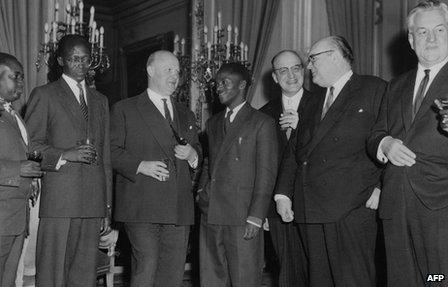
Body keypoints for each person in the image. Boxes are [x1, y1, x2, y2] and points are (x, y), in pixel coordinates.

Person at [275, 36, 386, 287]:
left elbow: (389, 137)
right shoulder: (313, 101)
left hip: (351, 208)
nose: (309, 67)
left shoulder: (373, 89)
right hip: (310, 210)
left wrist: (382, 185)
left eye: (312, 59)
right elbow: (295, 151)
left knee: (353, 280)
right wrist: (283, 194)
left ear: (334, 56)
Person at [367, 1, 448, 285]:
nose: (432, 38)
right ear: (411, 40)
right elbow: (376, 133)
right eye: (423, 32)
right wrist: (385, 143)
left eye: (440, 29)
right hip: (396, 205)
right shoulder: (395, 85)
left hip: (440, 207)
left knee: (438, 279)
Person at [25, 35, 112, 287]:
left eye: (86, 59)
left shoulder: (101, 101)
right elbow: (30, 145)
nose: (81, 64)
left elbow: (105, 158)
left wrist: (106, 207)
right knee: (52, 273)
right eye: (74, 59)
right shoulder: (45, 94)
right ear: (61, 60)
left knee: (84, 276)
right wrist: (64, 154)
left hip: (93, 202)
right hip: (59, 201)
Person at [110, 50, 201, 287]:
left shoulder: (186, 112)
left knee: (172, 275)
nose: (175, 77)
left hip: (178, 208)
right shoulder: (125, 109)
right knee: (146, 269)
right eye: (168, 70)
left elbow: (199, 153)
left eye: (178, 72)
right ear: (150, 71)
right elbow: (111, 151)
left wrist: (193, 155)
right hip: (142, 206)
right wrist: (141, 165)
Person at [197, 63, 278, 287]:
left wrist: (256, 215)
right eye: (216, 83)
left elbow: (266, 173)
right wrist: (201, 193)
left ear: (242, 85)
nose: (218, 88)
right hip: (211, 212)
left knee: (245, 279)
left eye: (225, 82)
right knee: (211, 279)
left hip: (243, 216)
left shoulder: (262, 122)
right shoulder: (213, 123)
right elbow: (208, 162)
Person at [259, 50, 309, 286]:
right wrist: (263, 210)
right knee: (287, 273)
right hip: (277, 211)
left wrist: (302, 127)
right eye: (283, 70)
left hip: (316, 203)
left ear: (305, 70)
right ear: (275, 78)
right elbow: (261, 168)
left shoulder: (324, 106)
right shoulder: (262, 116)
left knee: (317, 271)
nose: (291, 75)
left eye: (296, 68)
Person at [0, 53, 42, 287]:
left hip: (17, 217)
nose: (21, 83)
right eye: (14, 77)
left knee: (9, 280)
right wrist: (19, 169)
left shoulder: (14, 115)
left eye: (22, 77)